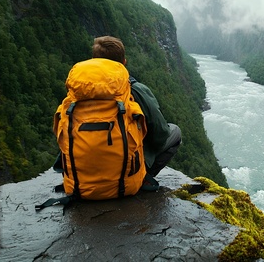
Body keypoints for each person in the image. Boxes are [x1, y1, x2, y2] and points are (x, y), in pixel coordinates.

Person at [54, 36, 181, 191]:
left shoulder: (78, 90)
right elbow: (161, 135)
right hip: (124, 180)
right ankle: (141, 178)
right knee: (175, 132)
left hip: (79, 183)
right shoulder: (135, 89)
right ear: (124, 62)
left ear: (94, 60)